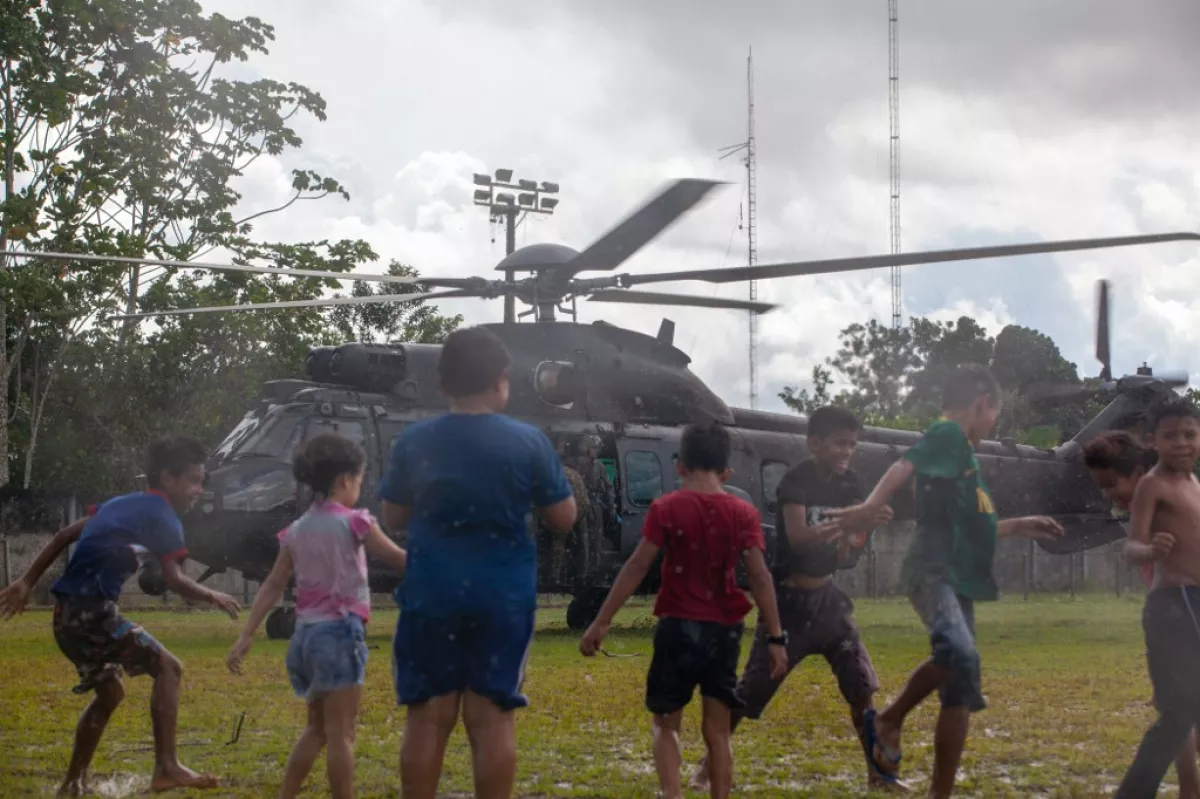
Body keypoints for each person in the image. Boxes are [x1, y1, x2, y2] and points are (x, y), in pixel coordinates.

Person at [830, 364, 1063, 798]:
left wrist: (1021, 524)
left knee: (960, 690)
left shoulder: (964, 464)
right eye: (995, 414)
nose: (994, 424)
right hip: (933, 572)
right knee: (956, 649)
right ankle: (888, 720)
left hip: (961, 583)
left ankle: (941, 793)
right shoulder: (949, 435)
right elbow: (904, 463)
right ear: (982, 405)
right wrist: (870, 506)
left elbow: (974, 525)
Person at [377, 325, 577, 799]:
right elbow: (564, 518)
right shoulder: (528, 442)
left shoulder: (414, 442)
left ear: (442, 383)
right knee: (491, 721)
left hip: (431, 595)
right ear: (502, 381)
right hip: (501, 599)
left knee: (427, 718)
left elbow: (393, 514)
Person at [0, 436, 242, 796]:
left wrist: (26, 581)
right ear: (168, 477)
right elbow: (174, 578)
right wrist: (214, 594)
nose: (198, 490)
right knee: (169, 667)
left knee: (110, 692)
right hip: (92, 611)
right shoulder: (163, 517)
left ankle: (73, 782)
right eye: (194, 479)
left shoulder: (122, 504)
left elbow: (65, 535)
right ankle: (166, 767)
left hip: (67, 616)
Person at [689, 405, 901, 794]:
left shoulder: (851, 483)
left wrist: (865, 527)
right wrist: (850, 520)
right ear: (815, 442)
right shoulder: (795, 482)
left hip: (830, 601)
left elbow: (847, 551)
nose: (846, 452)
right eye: (840, 443)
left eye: (852, 445)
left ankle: (879, 773)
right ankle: (707, 765)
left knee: (862, 686)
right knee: (751, 692)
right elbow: (800, 536)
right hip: (788, 604)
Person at [579, 421, 788, 799]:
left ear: (679, 465)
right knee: (718, 731)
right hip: (724, 631)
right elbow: (759, 576)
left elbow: (637, 566)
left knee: (665, 722)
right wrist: (775, 636)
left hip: (677, 627)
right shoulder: (743, 513)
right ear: (727, 471)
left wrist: (601, 621)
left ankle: (672, 794)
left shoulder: (666, 508)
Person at [226, 433, 409, 799]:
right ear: (344, 480)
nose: (359, 488)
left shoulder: (295, 531)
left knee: (318, 730)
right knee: (342, 733)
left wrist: (247, 634)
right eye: (359, 481)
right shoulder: (357, 522)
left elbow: (273, 584)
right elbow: (399, 560)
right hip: (339, 635)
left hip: (305, 639)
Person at [1083, 429, 1200, 799]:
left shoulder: (1167, 496)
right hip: (1172, 617)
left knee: (1176, 714)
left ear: (1137, 471)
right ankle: (1188, 788)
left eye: (1112, 483)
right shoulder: (1143, 514)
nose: (1108, 495)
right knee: (1176, 713)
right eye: (1101, 487)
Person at [1113, 395, 1200, 798]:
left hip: (1195, 603)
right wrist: (1151, 551)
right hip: (1174, 606)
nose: (1182, 443)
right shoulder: (1152, 485)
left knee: (1181, 712)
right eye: (1171, 436)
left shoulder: (1195, 484)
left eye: (1190, 434)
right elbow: (1132, 548)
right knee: (1178, 712)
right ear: (1153, 441)